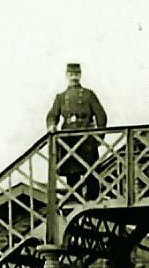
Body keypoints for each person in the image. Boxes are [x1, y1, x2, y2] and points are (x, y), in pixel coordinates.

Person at [44, 62, 109, 191]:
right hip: (69, 139)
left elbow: (101, 115)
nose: (74, 77)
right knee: (72, 173)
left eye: (76, 74)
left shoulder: (88, 94)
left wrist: (100, 136)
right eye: (71, 74)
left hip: (87, 139)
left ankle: (92, 200)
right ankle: (74, 198)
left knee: (91, 173)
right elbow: (52, 114)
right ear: (66, 76)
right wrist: (51, 125)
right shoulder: (60, 97)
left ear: (80, 76)